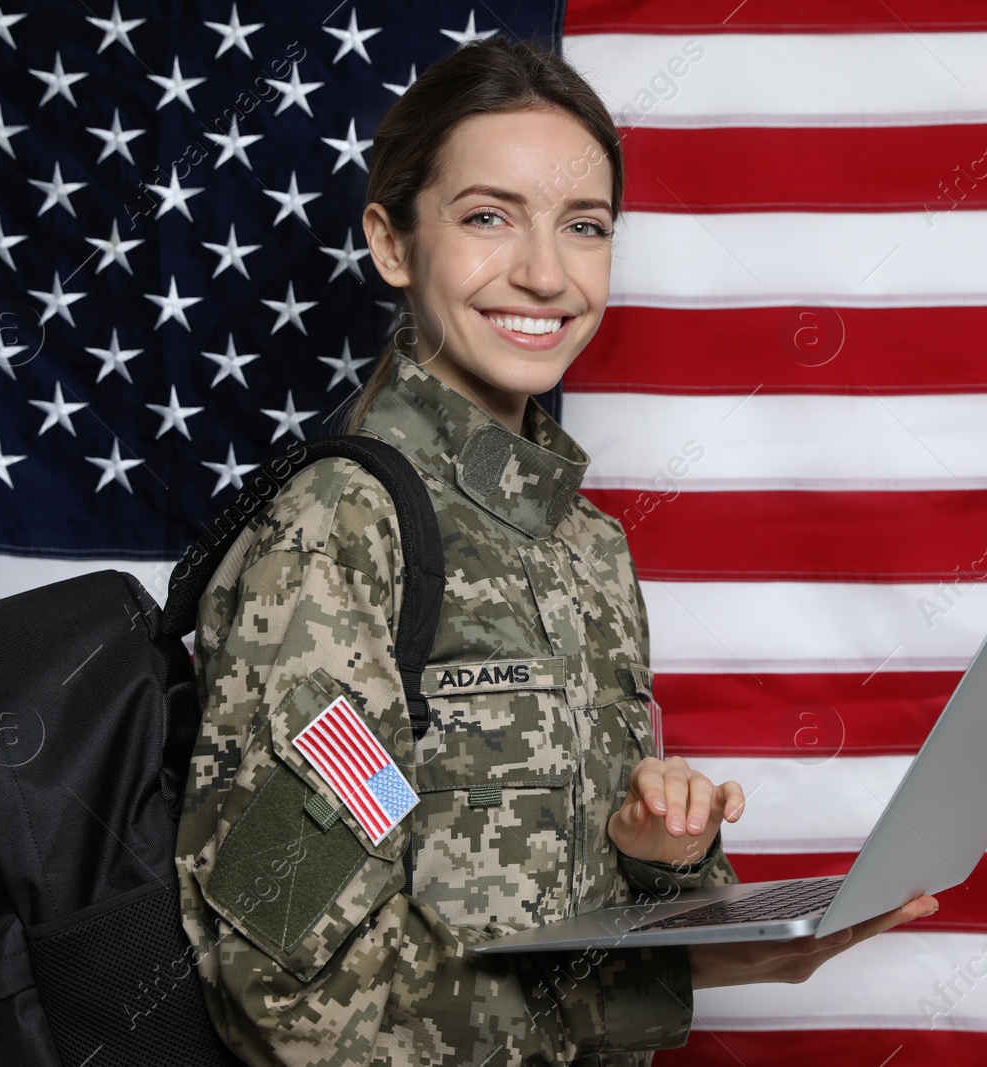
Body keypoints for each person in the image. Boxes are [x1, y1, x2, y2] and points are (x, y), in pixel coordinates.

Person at [173, 34, 939, 1067]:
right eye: (487, 217)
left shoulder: (582, 542)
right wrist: (667, 979)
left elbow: (555, 908)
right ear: (393, 244)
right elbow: (293, 994)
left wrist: (663, 860)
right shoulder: (338, 532)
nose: (543, 274)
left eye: (584, 227)